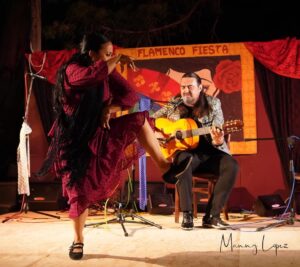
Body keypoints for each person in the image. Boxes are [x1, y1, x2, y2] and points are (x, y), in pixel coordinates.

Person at [38, 32, 191, 260]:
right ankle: (78, 240)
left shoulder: (105, 72)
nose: (112, 57)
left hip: (99, 134)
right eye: (107, 54)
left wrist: (108, 109)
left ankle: (166, 167)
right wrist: (117, 60)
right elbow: (90, 77)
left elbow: (129, 95)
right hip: (74, 141)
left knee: (139, 119)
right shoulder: (73, 71)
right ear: (91, 54)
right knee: (78, 193)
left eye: (113, 54)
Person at [152, 72, 239, 230]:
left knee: (231, 165)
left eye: (190, 87)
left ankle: (212, 216)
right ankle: (187, 214)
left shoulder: (213, 103)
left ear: (200, 88)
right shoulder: (175, 103)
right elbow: (153, 120)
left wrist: (218, 139)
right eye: (183, 87)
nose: (185, 90)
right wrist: (159, 133)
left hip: (210, 153)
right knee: (184, 160)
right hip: (186, 155)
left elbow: (219, 125)